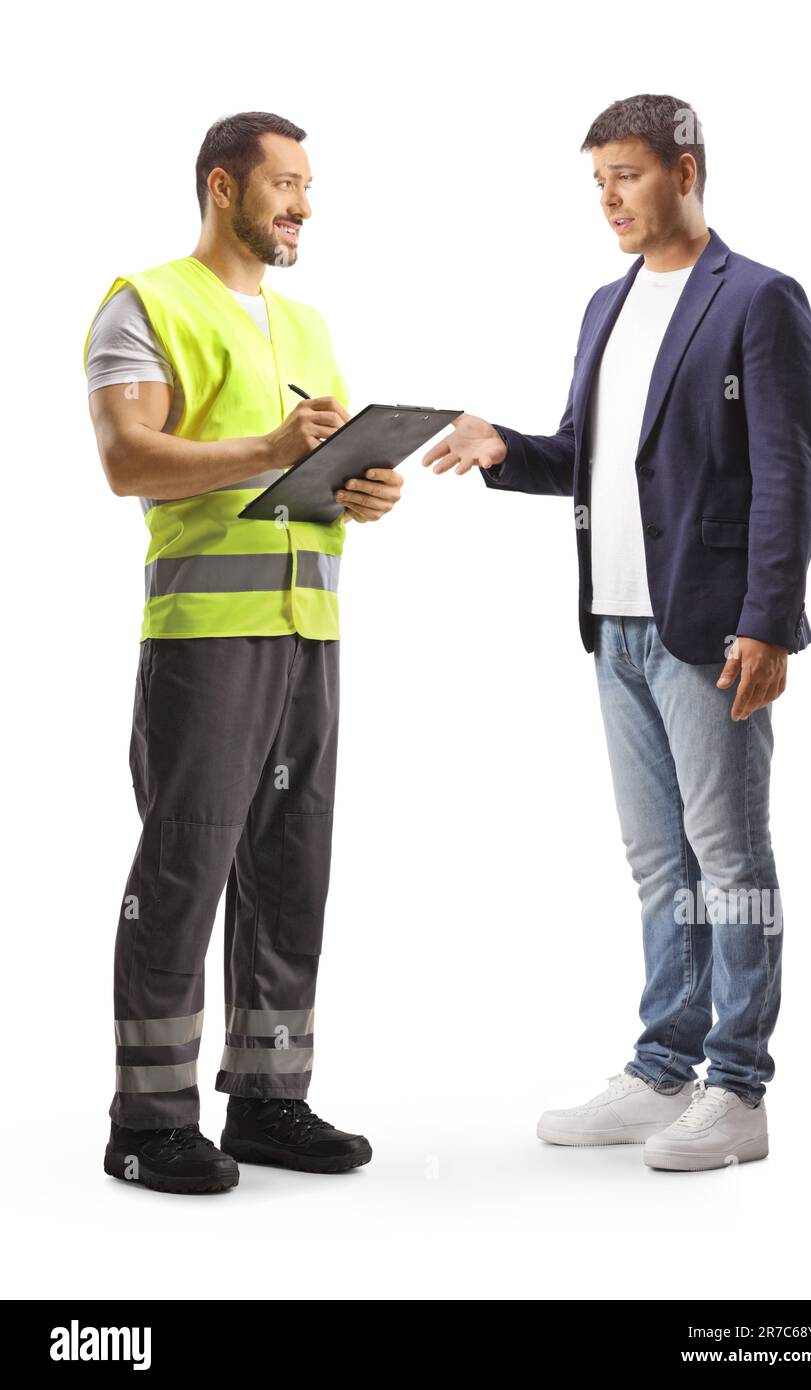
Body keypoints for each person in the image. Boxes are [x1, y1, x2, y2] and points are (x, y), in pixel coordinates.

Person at [422, 93, 811, 1172]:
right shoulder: (603, 305)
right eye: (595, 179)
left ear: (686, 169)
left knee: (728, 857)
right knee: (659, 863)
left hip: (711, 630)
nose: (607, 198)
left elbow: (787, 469)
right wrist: (499, 443)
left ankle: (736, 1089)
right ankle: (661, 1070)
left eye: (626, 175)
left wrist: (767, 620)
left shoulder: (759, 299)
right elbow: (583, 458)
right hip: (615, 624)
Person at [85, 110, 404, 1194]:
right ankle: (148, 1118)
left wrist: (364, 487)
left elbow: (307, 481)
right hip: (206, 638)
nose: (303, 204)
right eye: (284, 185)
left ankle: (268, 1099)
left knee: (288, 865)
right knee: (185, 864)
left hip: (308, 628)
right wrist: (269, 448)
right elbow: (129, 459)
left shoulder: (307, 325)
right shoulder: (146, 301)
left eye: (308, 187)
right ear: (223, 188)